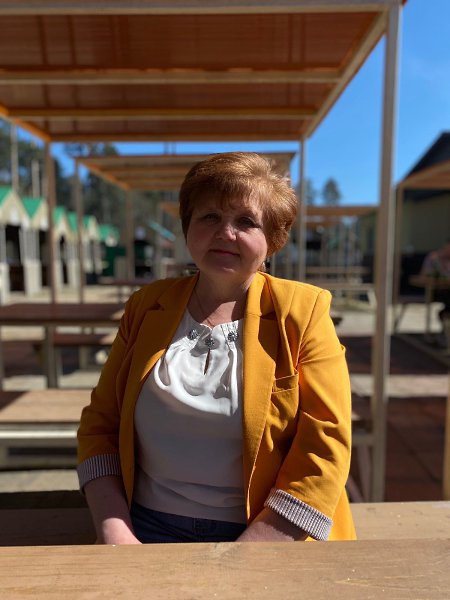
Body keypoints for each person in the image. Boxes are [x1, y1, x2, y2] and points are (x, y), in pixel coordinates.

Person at [77, 152, 356, 544]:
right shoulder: (146, 306)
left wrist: (248, 555)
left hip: (269, 534)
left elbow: (325, 445)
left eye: (246, 221)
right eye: (209, 216)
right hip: (141, 528)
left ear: (272, 240)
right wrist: (115, 531)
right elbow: (100, 425)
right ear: (188, 227)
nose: (226, 232)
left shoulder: (303, 312)